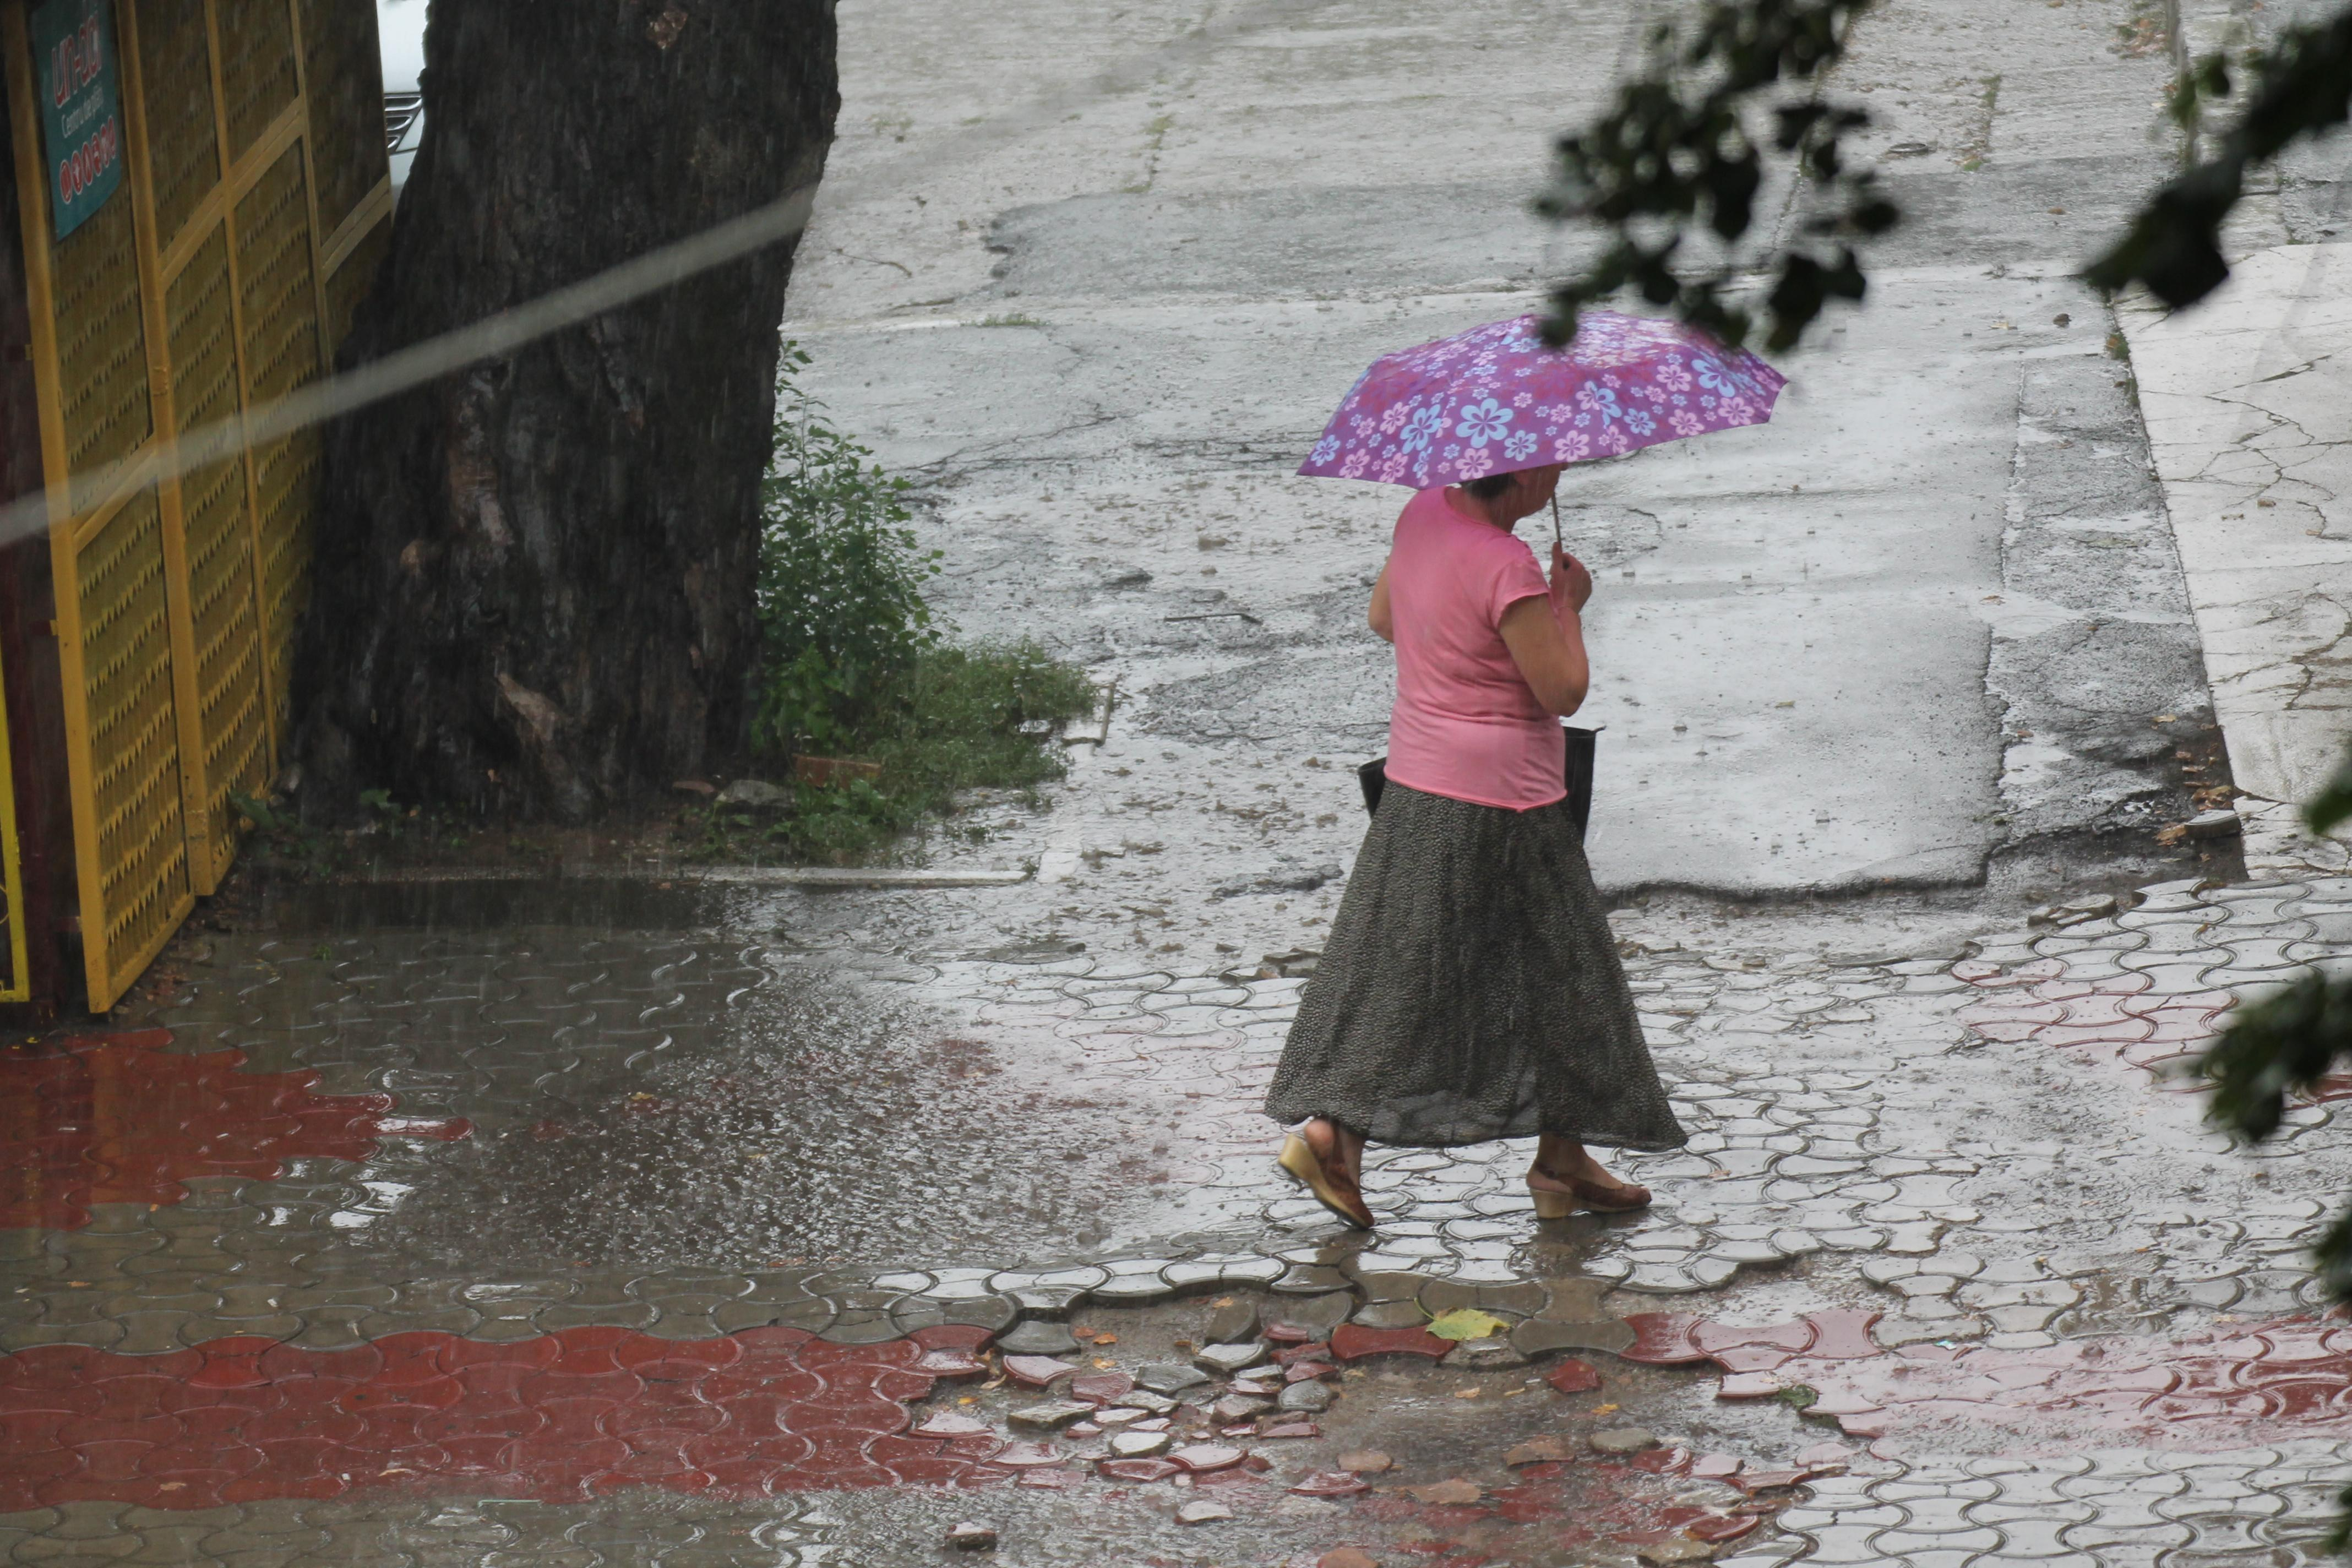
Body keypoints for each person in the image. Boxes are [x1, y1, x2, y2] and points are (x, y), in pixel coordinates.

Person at [1264, 463, 1685, 1229]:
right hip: (1506, 800)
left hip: (1417, 778)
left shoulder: (1424, 513)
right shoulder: (1506, 564)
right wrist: (1569, 606)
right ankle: (1332, 1137)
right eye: (1551, 466)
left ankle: (1559, 1157)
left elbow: (1385, 618)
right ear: (1517, 474)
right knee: (1506, 979)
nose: (1559, 477)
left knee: (1500, 971)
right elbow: (1561, 690)